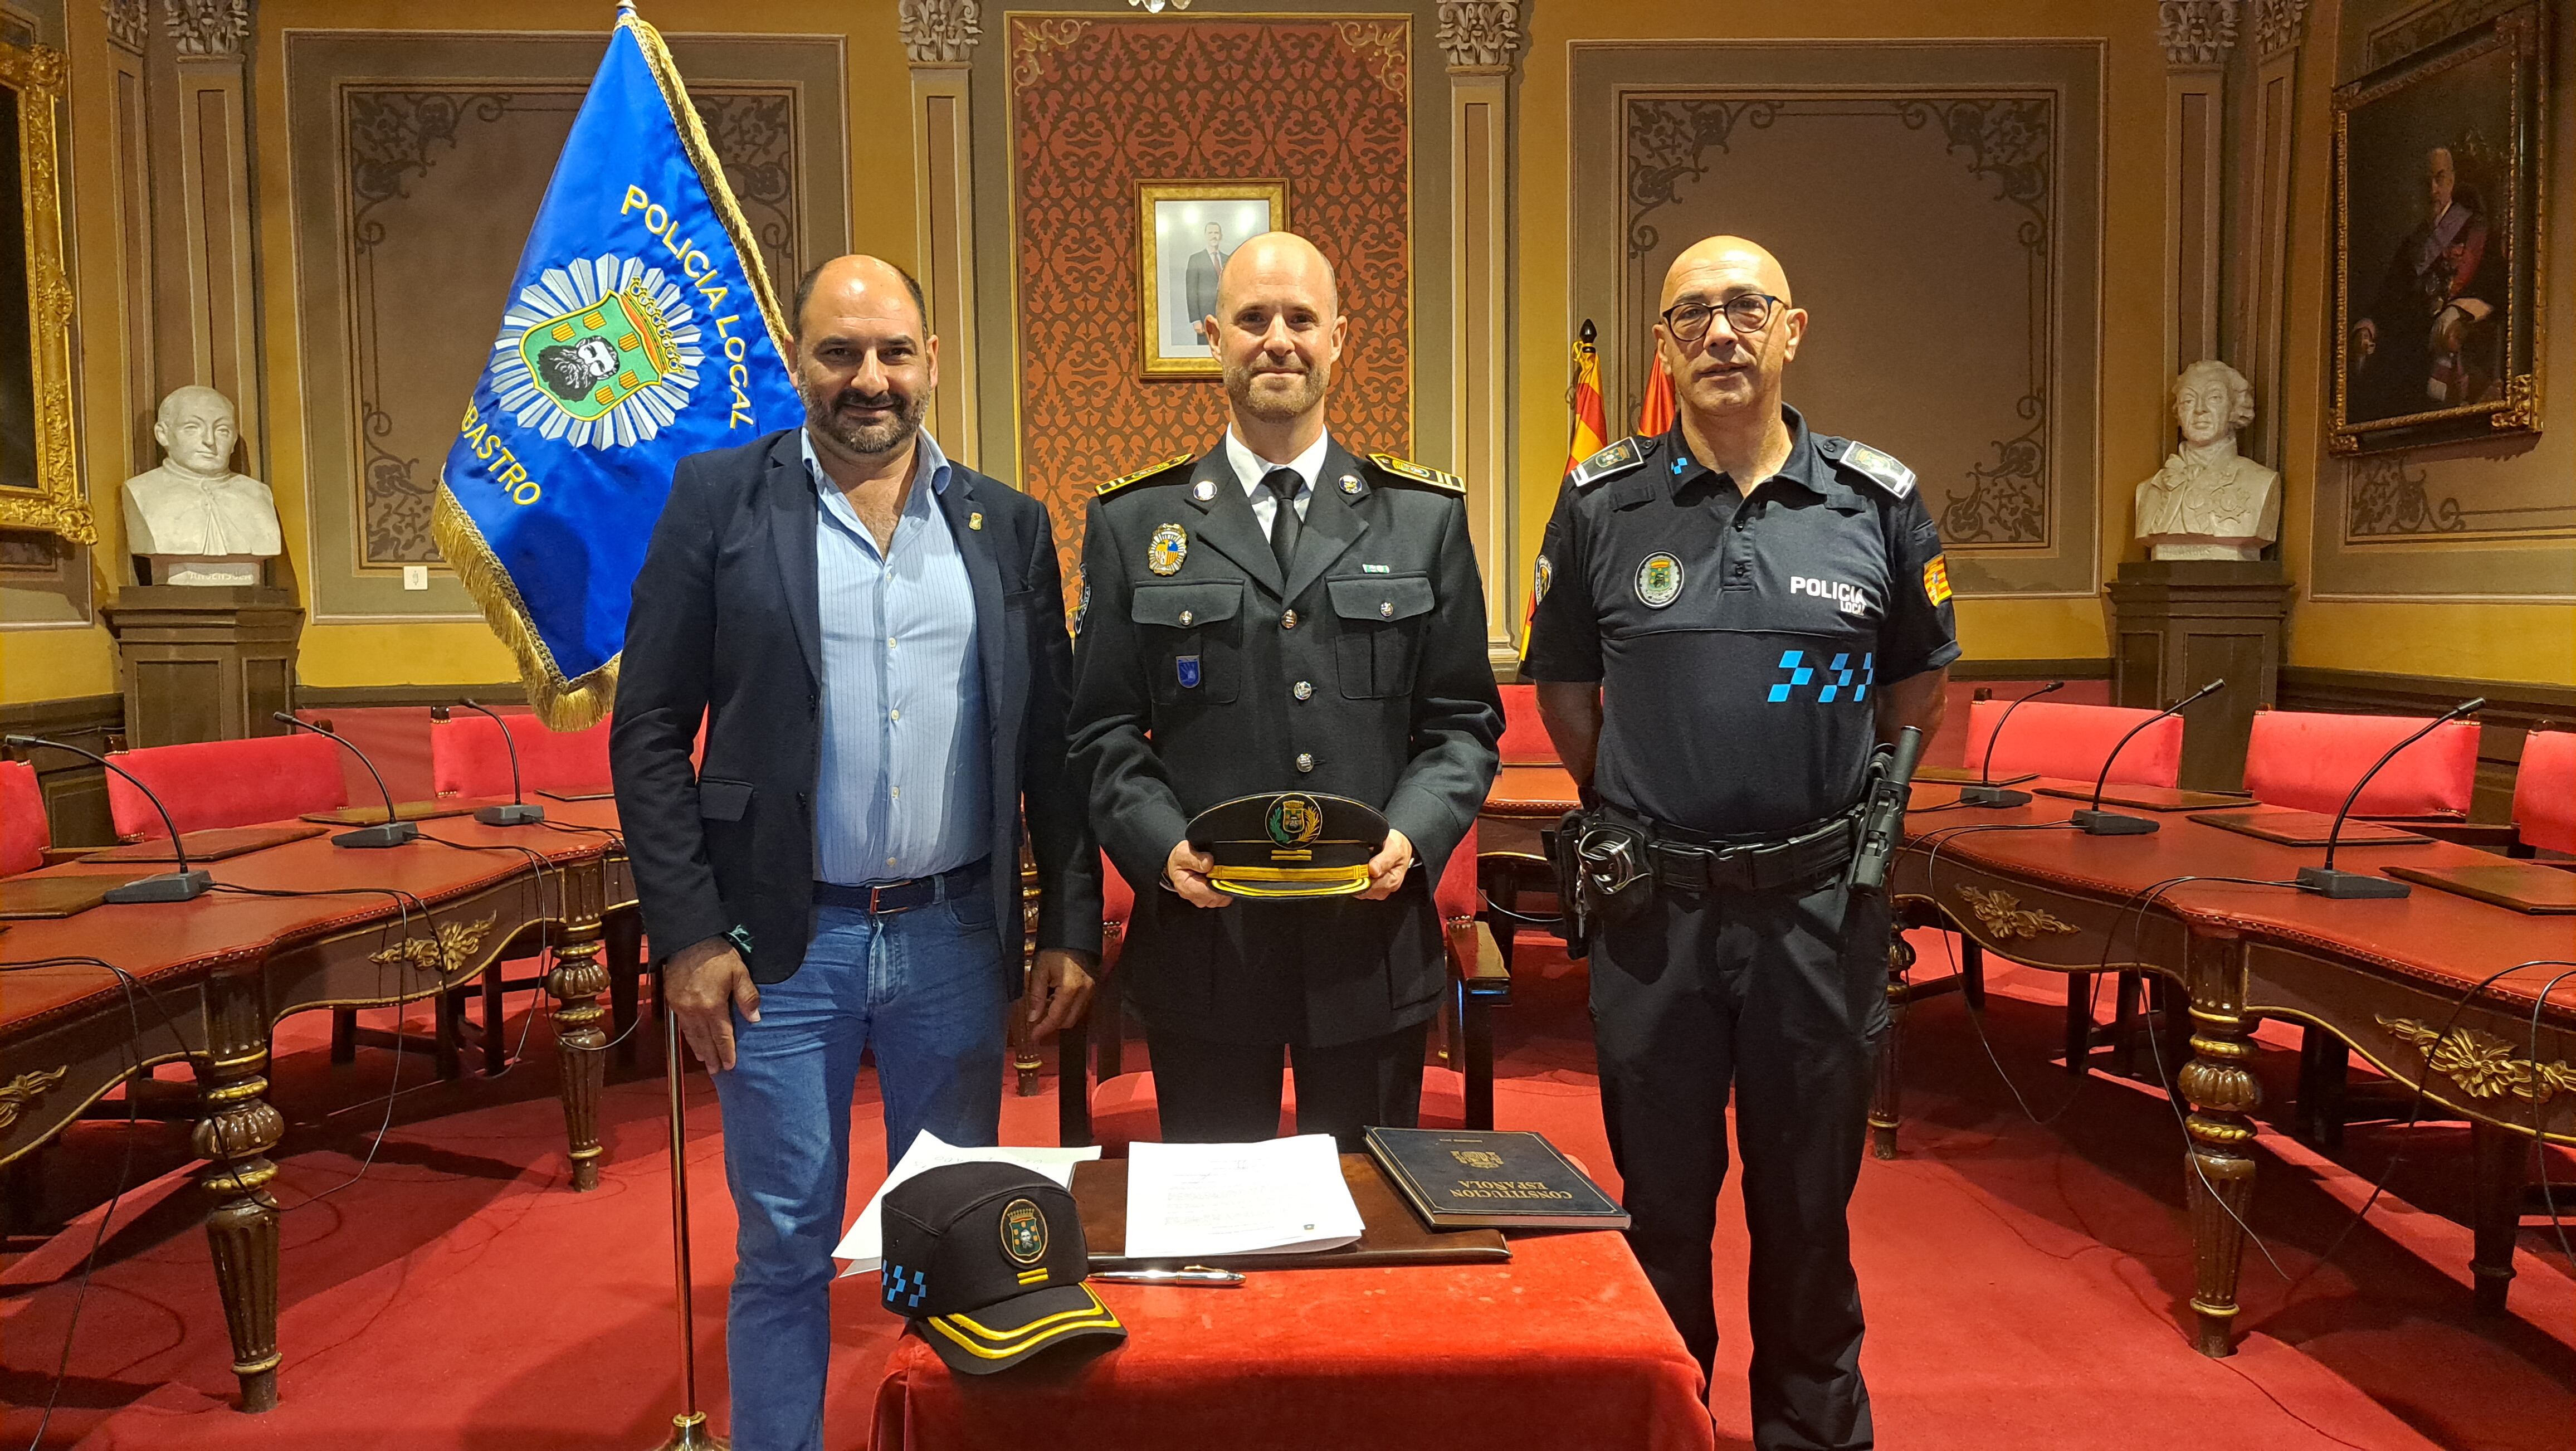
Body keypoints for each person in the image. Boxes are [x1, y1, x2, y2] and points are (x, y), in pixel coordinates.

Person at [609, 254, 1100, 1451]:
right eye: (839, 354)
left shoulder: (1006, 526)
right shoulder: (718, 502)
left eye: (891, 352)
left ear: (932, 363)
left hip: (949, 941)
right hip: (780, 951)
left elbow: (1052, 748)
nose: (867, 379)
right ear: (797, 366)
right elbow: (649, 731)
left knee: (952, 1231)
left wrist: (1070, 928)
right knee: (784, 1240)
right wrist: (683, 935)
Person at [1521, 235, 1955, 1451]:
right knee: (1659, 1213)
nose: (1720, 333)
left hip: (1819, 922)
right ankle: (1671, 1427)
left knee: (1807, 1219)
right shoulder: (1605, 501)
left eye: (1744, 310)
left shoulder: (1874, 500)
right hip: (1652, 919)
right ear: (1663, 345)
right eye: (1692, 315)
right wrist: (1636, 797)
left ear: (1790, 329)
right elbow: (1561, 682)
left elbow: (1913, 689)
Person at [1069, 231, 1500, 1150]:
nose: (1278, 339)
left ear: (1339, 338)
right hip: (1206, 943)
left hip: (1368, 942)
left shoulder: (1421, 518)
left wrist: (1410, 836)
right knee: (1218, 1242)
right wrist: (1157, 848)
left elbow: (1460, 722)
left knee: (1372, 1222)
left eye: (1300, 318)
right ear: (1211, 336)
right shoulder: (1132, 521)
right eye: (1253, 319)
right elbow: (1102, 727)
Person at [2351, 145, 2504, 419]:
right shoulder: (2414, 242)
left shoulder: (2477, 232)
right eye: (2426, 182)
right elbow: (2388, 297)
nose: (2433, 189)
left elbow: (2497, 288)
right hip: (2407, 343)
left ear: (2453, 181)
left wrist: (2459, 310)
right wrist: (2368, 328)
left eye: (2440, 179)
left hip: (2445, 339)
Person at [1183, 220, 1229, 348]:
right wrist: (1196, 320)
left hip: (1226, 317)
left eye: (1216, 233)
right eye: (1210, 233)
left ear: (1221, 236)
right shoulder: (1196, 259)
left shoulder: (1229, 259)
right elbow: (1191, 291)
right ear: (1205, 236)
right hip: (1205, 318)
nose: (1214, 236)